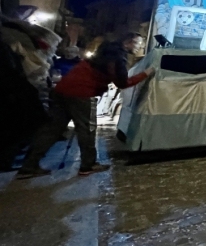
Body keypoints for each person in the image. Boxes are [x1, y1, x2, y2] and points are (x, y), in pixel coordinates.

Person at [16, 33, 154, 179]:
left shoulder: (104, 51)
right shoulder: (117, 57)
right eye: (138, 43)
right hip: (81, 93)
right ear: (128, 42)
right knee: (87, 129)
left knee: (52, 129)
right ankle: (88, 165)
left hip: (62, 90)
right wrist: (146, 73)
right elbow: (122, 83)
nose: (140, 47)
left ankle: (29, 166)